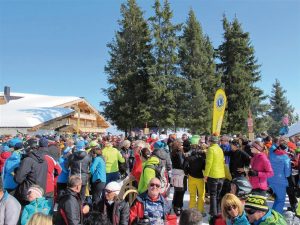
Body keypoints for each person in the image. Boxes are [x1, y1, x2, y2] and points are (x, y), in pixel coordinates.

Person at [14, 137, 48, 205]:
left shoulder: (28, 160)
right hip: (39, 192)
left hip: (27, 194)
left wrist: (16, 171)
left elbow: (18, 179)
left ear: (28, 148)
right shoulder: (44, 159)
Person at [183, 135, 206, 216]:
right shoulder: (202, 155)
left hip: (191, 177)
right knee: (201, 195)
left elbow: (185, 166)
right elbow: (204, 166)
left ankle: (191, 212)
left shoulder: (188, 156)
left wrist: (187, 173)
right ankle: (200, 211)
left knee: (192, 195)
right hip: (200, 177)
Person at [204, 134, 225, 217]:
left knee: (213, 194)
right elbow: (223, 162)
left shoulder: (211, 149)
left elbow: (208, 163)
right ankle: (217, 211)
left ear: (210, 141)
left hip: (213, 175)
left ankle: (213, 212)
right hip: (221, 175)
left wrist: (206, 175)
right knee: (218, 195)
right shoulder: (220, 149)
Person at [268, 143, 291, 214]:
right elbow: (287, 174)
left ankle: (272, 214)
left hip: (270, 180)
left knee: (276, 199)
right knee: (281, 200)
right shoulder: (285, 157)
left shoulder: (271, 155)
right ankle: (277, 217)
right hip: (280, 181)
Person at [171, 140, 187, 216]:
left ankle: (174, 204)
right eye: (181, 143)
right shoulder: (179, 152)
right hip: (180, 173)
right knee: (182, 190)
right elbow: (181, 163)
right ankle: (178, 207)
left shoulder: (173, 152)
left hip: (174, 172)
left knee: (177, 190)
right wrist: (187, 161)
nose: (182, 144)